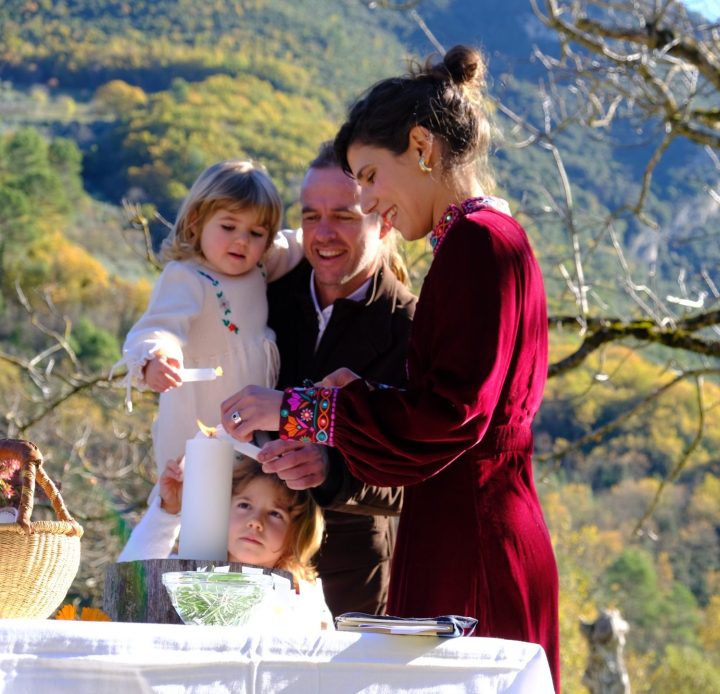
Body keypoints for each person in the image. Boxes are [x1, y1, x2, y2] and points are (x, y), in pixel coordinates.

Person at [219, 45, 560, 690]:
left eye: (371, 177)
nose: (371, 201)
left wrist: (300, 407)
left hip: (471, 536)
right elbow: (460, 401)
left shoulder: (477, 245)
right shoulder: (489, 239)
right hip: (469, 523)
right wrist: (367, 394)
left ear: (422, 147)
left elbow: (451, 416)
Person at [264, 141, 417, 616]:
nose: (323, 233)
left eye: (344, 216)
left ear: (384, 221)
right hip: (247, 560)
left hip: (350, 579)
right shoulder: (266, 298)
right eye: (311, 216)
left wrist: (333, 471)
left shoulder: (413, 328)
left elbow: (421, 477)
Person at [113, 160, 302, 490]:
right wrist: (157, 358)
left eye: (256, 233)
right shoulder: (188, 277)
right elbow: (158, 327)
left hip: (248, 426)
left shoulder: (260, 265)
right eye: (228, 227)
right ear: (196, 222)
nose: (242, 241)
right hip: (198, 420)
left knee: (242, 502)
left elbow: (300, 243)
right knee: (191, 500)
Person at [118, 455, 332, 629]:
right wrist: (168, 510)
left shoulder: (304, 599)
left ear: (298, 532)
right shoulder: (185, 575)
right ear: (222, 509)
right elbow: (128, 588)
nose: (255, 522)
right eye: (244, 505)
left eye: (276, 514)